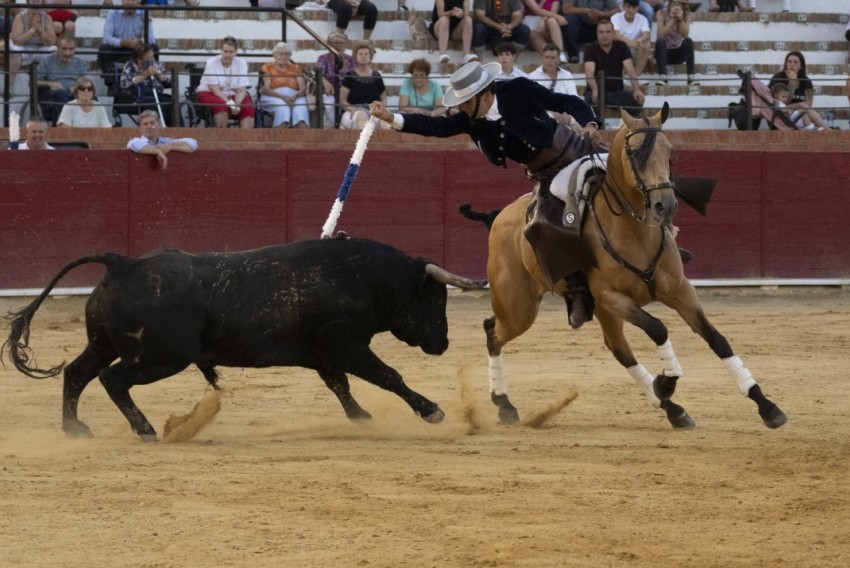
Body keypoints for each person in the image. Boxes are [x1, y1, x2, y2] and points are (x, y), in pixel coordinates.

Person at [369, 61, 603, 328]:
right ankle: (577, 293)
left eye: (466, 102)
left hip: (575, 148)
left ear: (486, 95)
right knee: (542, 226)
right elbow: (434, 127)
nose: (462, 108)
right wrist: (391, 118)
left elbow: (565, 101)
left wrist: (590, 124)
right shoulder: (471, 121)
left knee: (630, 174)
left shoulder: (518, 89)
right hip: (545, 174)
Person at [583, 18, 644, 117]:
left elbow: (630, 68)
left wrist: (636, 89)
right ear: (597, 34)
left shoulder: (622, 46)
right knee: (590, 100)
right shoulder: (590, 48)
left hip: (616, 93)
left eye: (607, 32)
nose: (604, 35)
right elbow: (589, 72)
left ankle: (627, 128)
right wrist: (595, 89)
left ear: (613, 33)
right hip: (596, 92)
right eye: (601, 32)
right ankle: (598, 130)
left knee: (637, 100)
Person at [98, 0, 157, 95]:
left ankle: (151, 79)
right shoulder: (113, 12)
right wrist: (121, 42)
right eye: (128, 3)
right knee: (104, 49)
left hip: (138, 47)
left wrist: (140, 41)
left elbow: (151, 39)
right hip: (119, 45)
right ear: (123, 2)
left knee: (154, 48)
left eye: (134, 3)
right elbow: (106, 38)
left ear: (139, 3)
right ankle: (112, 85)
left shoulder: (144, 11)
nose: (131, 6)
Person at [196, 36, 255, 129]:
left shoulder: (241, 63)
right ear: (221, 51)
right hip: (210, 92)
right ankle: (222, 139)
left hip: (232, 93)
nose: (228, 54)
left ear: (236, 52)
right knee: (221, 107)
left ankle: (245, 139)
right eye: (225, 51)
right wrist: (230, 103)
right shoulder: (212, 62)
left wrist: (237, 103)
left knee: (247, 108)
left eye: (231, 52)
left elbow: (241, 88)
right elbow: (214, 89)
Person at [119, 42, 174, 126]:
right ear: (139, 60)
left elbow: (169, 81)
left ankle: (176, 131)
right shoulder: (130, 66)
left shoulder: (156, 65)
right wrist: (145, 74)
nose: (153, 60)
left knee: (171, 103)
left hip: (157, 94)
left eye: (153, 56)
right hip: (138, 97)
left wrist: (159, 75)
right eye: (149, 58)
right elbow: (124, 84)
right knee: (153, 105)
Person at [528, 43, 582, 129]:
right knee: (548, 120)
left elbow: (574, 96)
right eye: (547, 57)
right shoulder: (532, 76)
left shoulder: (566, 75)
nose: (549, 61)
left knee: (580, 121)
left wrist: (565, 112)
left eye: (553, 58)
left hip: (566, 112)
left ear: (558, 60)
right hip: (545, 112)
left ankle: (583, 142)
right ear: (542, 58)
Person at [36, 37, 87, 124]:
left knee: (90, 96)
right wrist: (49, 83)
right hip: (52, 93)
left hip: (74, 92)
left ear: (75, 49)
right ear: (58, 49)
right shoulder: (47, 61)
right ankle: (62, 126)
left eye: (71, 49)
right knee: (62, 94)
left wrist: (76, 87)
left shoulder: (81, 63)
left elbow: (85, 82)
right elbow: (33, 82)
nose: (67, 53)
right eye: (64, 49)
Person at [259, 42, 310, 129]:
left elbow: (303, 87)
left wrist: (295, 96)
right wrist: (283, 97)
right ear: (274, 55)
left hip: (295, 96)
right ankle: (279, 139)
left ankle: (304, 141)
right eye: (280, 54)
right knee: (283, 109)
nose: (283, 57)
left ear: (290, 56)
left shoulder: (296, 68)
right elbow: (266, 89)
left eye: (286, 54)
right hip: (274, 96)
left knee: (300, 111)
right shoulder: (267, 67)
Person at [339, 40, 387, 129]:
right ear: (355, 57)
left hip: (373, 111)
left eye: (366, 54)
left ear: (370, 57)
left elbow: (383, 98)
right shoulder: (350, 75)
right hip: (353, 112)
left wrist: (380, 109)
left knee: (385, 121)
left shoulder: (377, 76)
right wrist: (351, 109)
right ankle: (362, 143)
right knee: (361, 117)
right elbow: (342, 100)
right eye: (360, 54)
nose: (363, 56)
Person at [127, 110, 197, 170]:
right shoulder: (137, 141)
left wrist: (170, 146)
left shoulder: (166, 142)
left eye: (152, 123)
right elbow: (132, 144)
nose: (149, 126)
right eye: (145, 124)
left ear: (158, 125)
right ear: (140, 128)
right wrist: (158, 151)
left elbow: (193, 143)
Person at [9, 0, 57, 84]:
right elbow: (17, 41)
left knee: (54, 51)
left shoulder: (47, 18)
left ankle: (51, 83)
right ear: (28, 2)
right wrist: (32, 30)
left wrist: (40, 30)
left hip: (39, 48)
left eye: (38, 1)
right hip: (23, 47)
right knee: (15, 53)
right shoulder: (20, 17)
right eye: (33, 1)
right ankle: (9, 86)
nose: (35, 4)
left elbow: (51, 42)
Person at [315, 32, 356, 129]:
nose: (338, 45)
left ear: (346, 44)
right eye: (334, 42)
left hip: (347, 92)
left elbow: (355, 76)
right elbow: (317, 73)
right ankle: (333, 130)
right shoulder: (323, 58)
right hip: (330, 92)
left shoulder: (351, 60)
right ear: (328, 45)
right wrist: (325, 82)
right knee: (330, 104)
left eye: (341, 43)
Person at [654, 0, 698, 86]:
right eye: (675, 2)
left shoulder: (686, 14)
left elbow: (685, 34)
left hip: (678, 53)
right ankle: (663, 76)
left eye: (680, 3)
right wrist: (672, 20)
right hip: (664, 52)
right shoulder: (661, 13)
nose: (677, 5)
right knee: (660, 41)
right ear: (670, 3)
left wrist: (680, 19)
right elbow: (661, 35)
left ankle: (691, 76)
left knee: (688, 41)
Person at [612, 0, 651, 76]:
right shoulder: (616, 17)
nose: (631, 10)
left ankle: (636, 75)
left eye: (634, 7)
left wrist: (639, 40)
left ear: (638, 8)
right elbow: (616, 34)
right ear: (624, 6)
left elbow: (647, 34)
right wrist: (630, 43)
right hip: (620, 49)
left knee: (647, 44)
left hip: (635, 49)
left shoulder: (642, 19)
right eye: (628, 7)